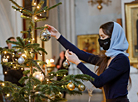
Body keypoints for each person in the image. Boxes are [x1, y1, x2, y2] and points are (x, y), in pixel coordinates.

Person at [45, 21, 130, 102]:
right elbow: (80, 53)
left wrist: (78, 63)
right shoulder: (108, 58)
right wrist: (57, 35)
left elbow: (98, 82)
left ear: (114, 37)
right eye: (100, 37)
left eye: (103, 37)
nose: (100, 40)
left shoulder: (121, 59)